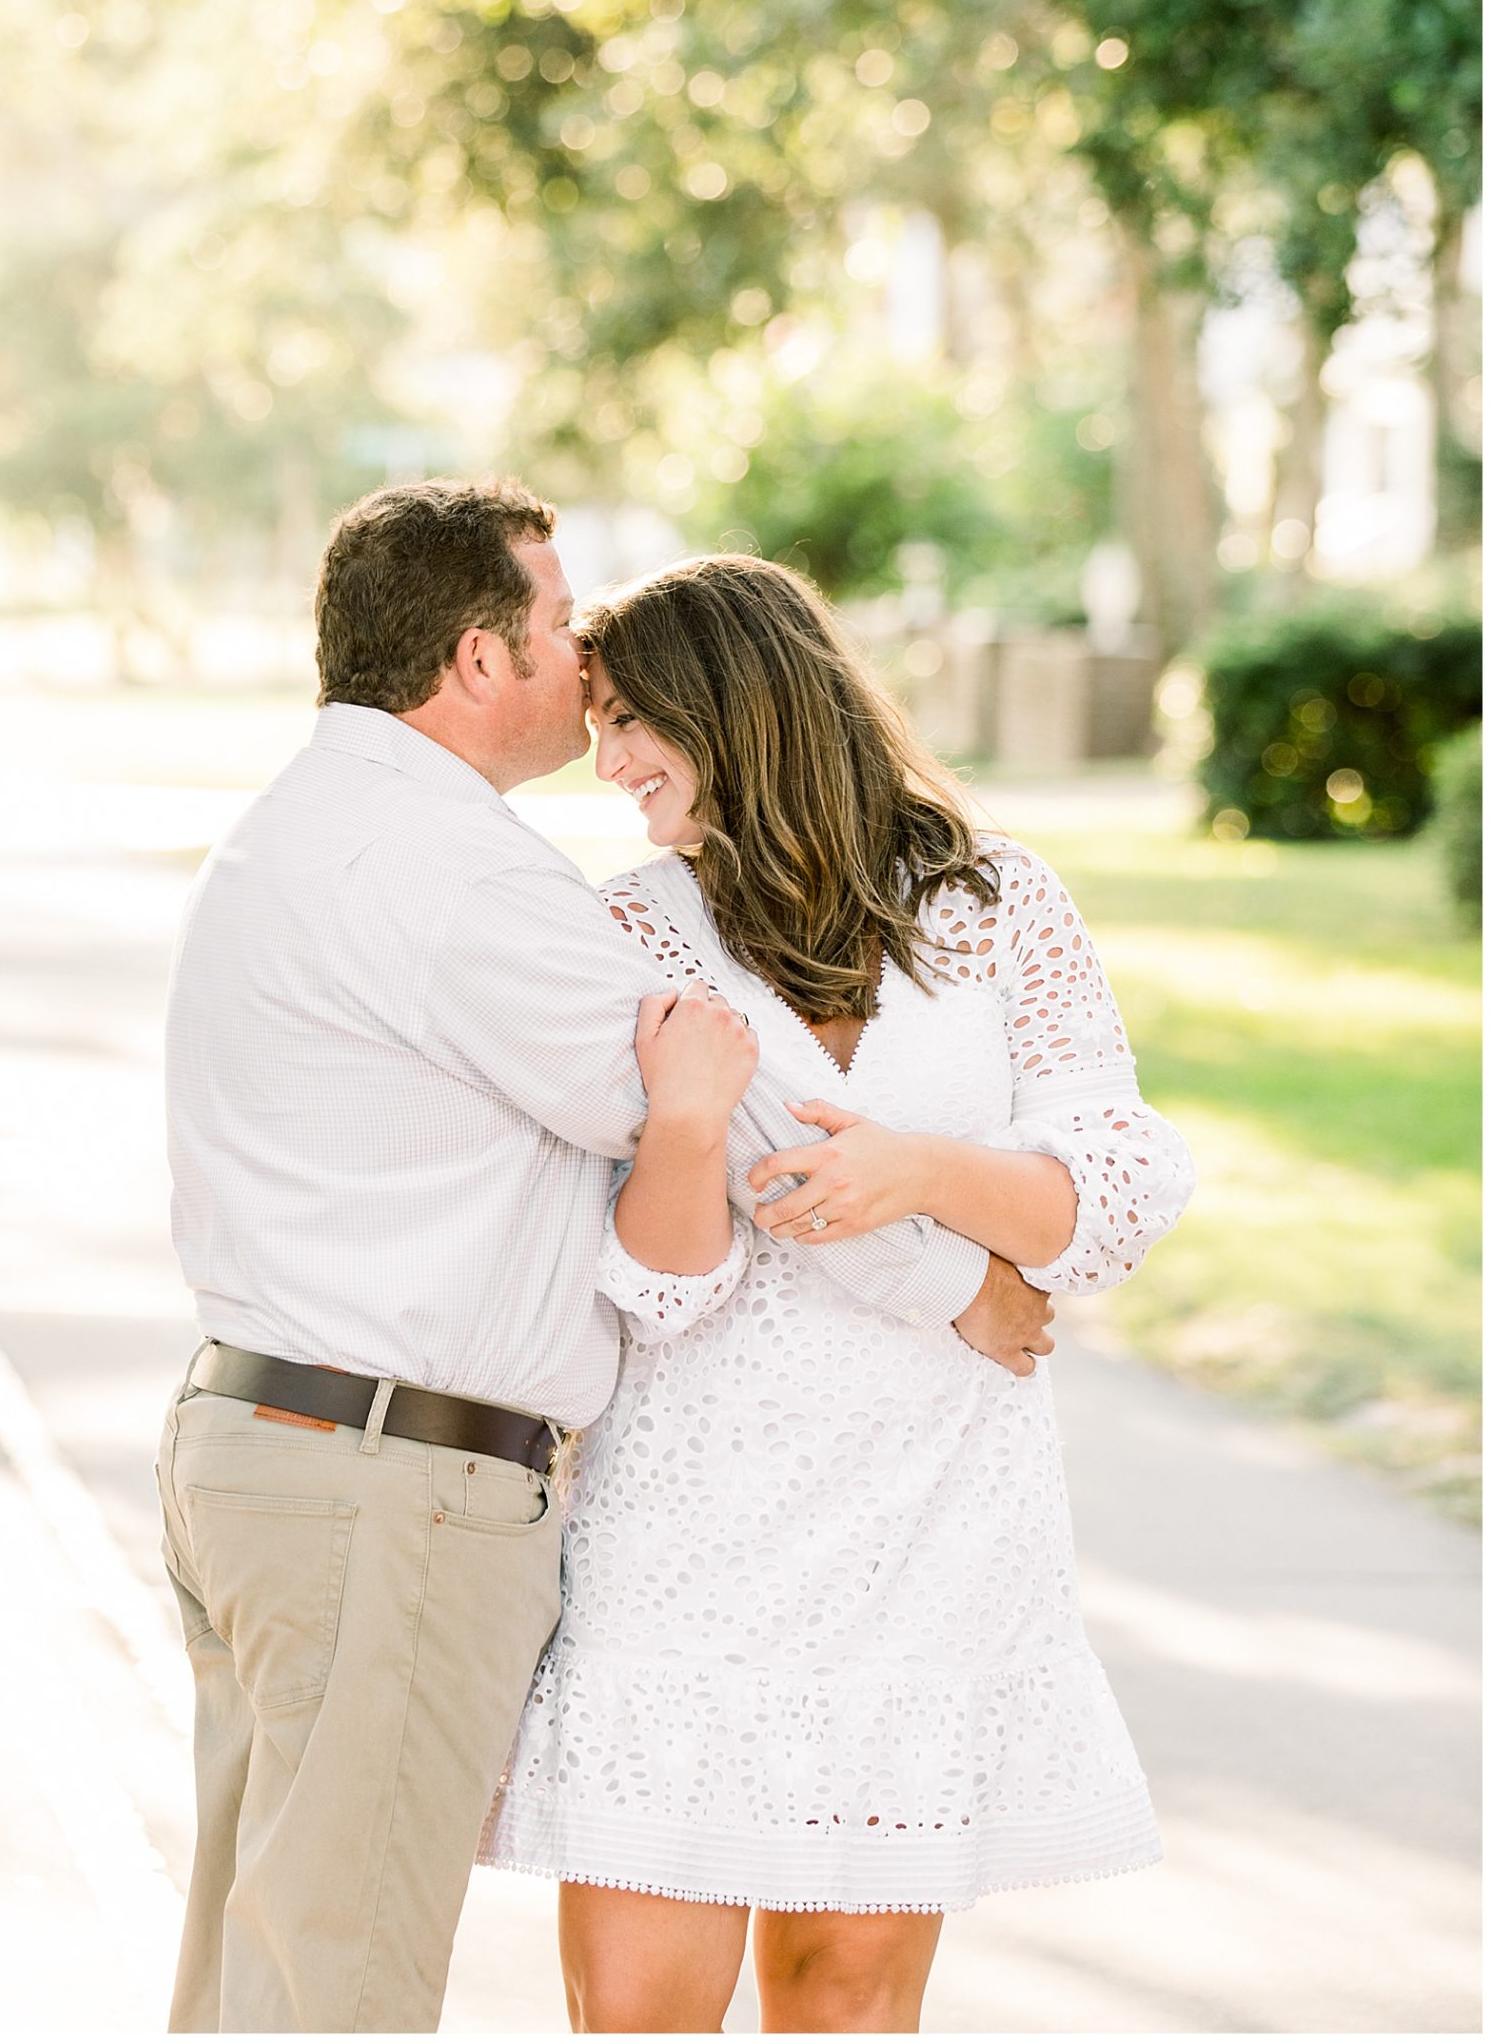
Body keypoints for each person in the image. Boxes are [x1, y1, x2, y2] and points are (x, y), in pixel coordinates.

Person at [153, 482, 1048, 2034]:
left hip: (271, 1446)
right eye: (560, 625)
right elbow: (761, 1139)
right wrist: (963, 1280)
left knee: (269, 1973)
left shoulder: (302, 825)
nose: (581, 663)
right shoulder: (452, 875)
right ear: (477, 659)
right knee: (336, 1988)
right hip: (386, 1483)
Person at [478, 553, 1195, 2034]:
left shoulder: (995, 904)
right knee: (637, 2010)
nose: (604, 762)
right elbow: (658, 1292)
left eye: (630, 721)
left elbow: (1114, 1192)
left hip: (933, 1525)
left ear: (739, 704)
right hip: (686, 1540)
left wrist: (924, 1170)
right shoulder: (625, 935)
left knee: (849, 2000)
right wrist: (944, 1266)